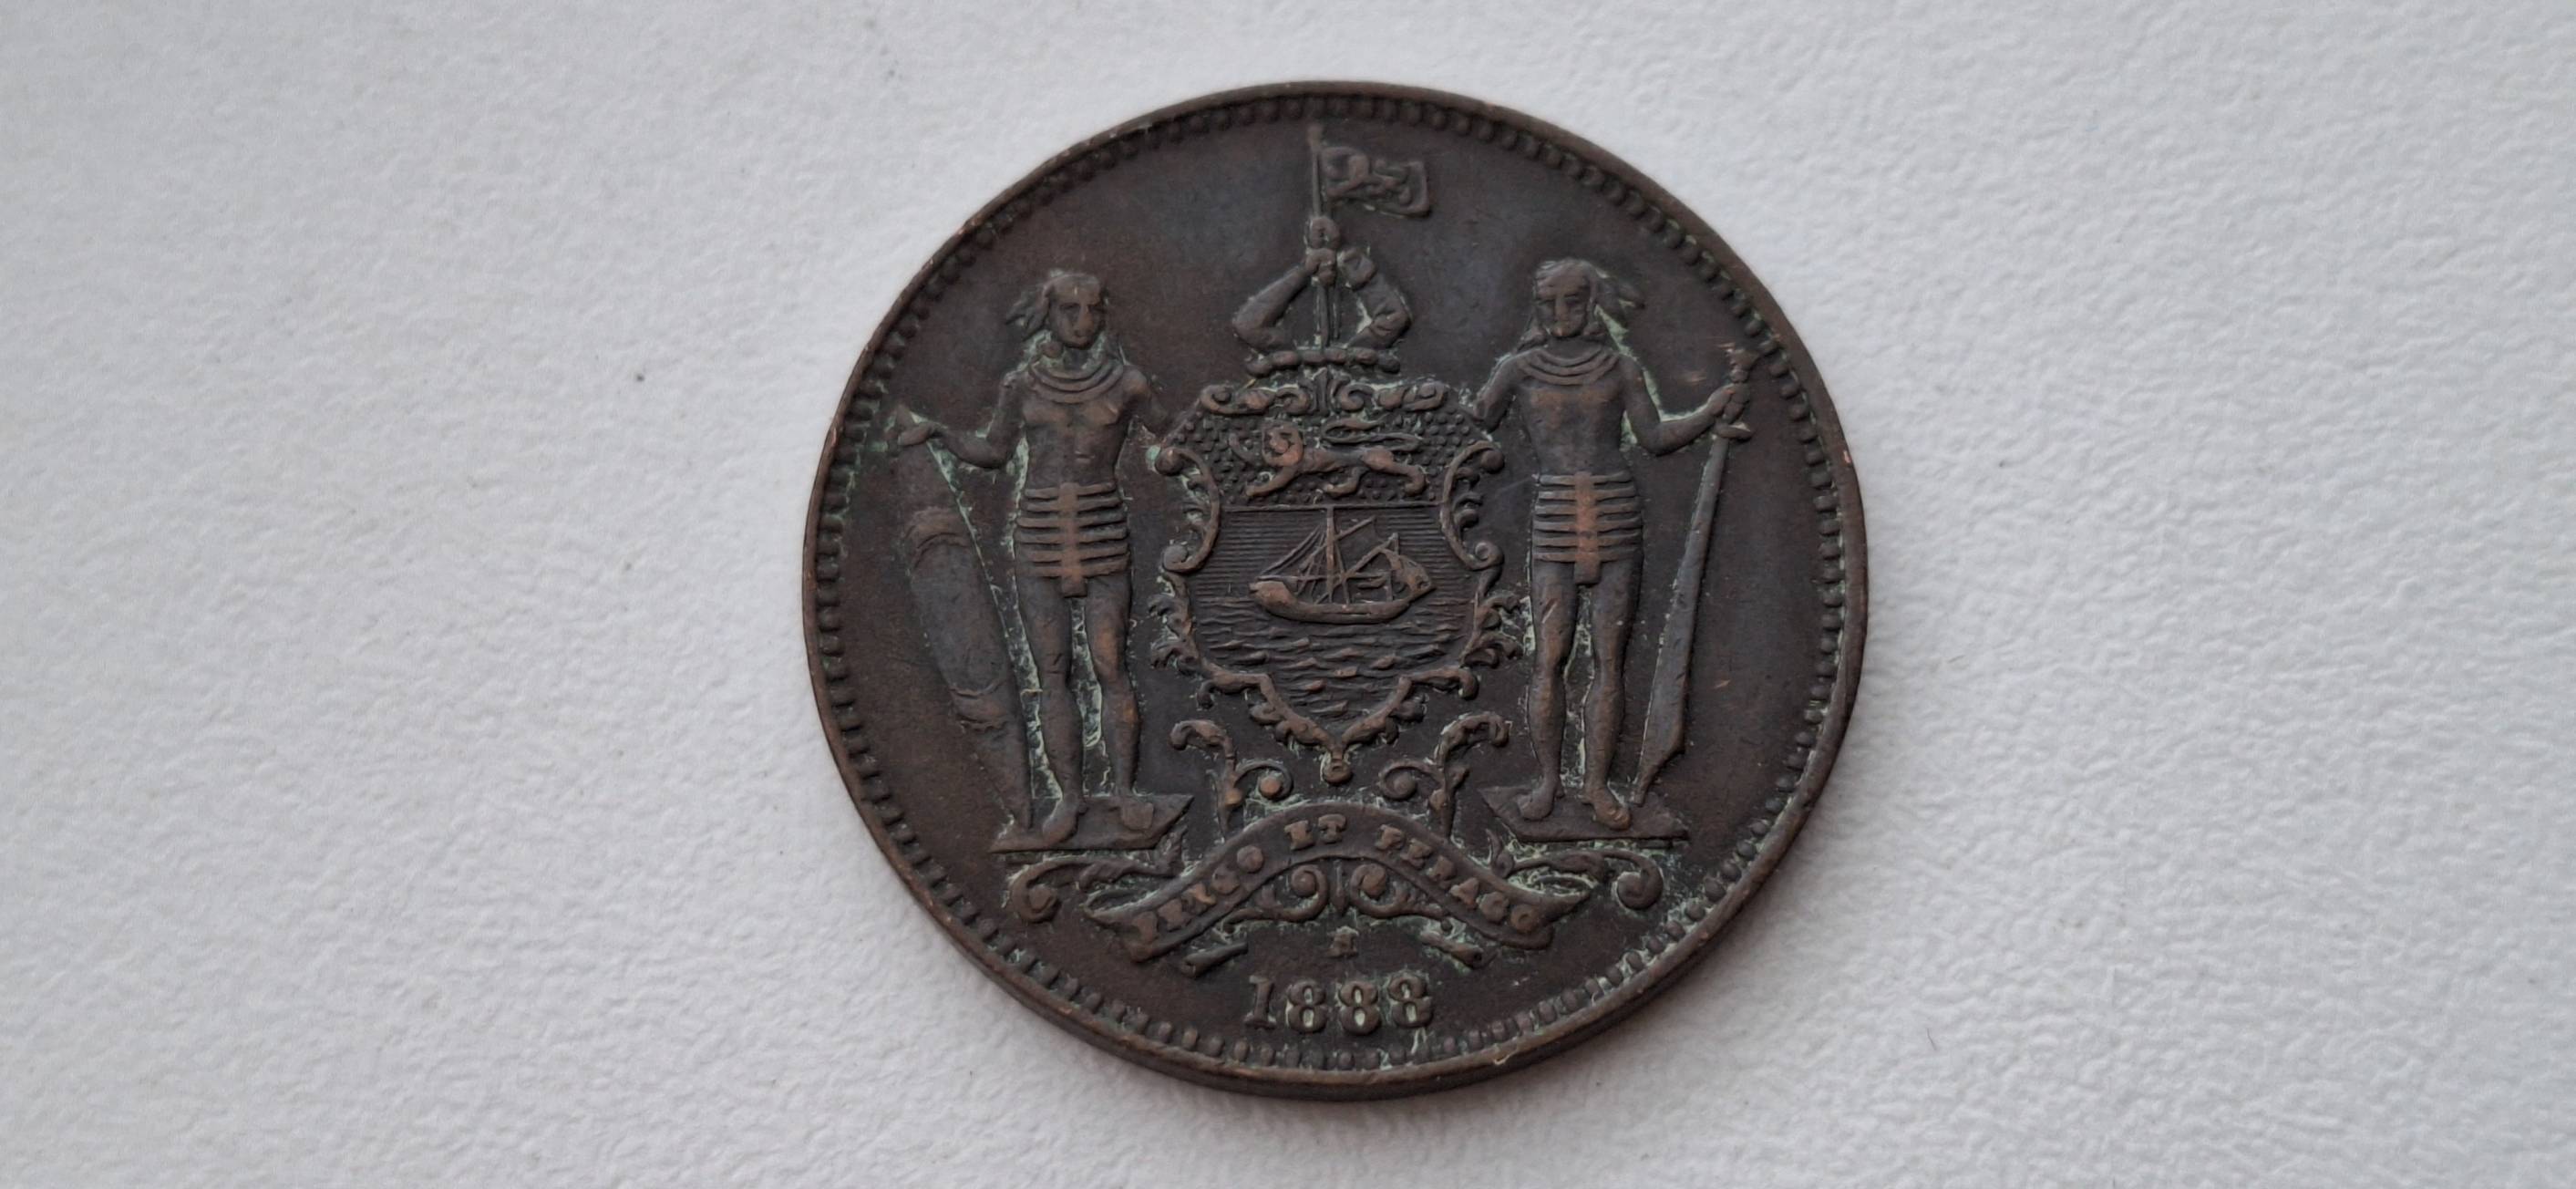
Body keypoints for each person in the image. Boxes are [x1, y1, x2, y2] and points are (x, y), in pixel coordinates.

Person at [1472, 259, 1746, 829]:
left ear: (1592, 303)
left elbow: (1654, 437)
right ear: (1537, 306)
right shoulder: (1517, 369)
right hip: (1554, 516)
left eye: (1572, 301)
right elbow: (1472, 425)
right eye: (1549, 302)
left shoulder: (1620, 368)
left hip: (1615, 512)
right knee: (1550, 657)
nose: (1560, 313)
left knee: (1608, 658)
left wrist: (1709, 411)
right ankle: (1548, 781)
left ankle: (1595, 784)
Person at [904, 271, 1167, 830]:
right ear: (1048, 314)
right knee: (1053, 672)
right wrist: (940, 435)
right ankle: (1070, 797)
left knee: (1110, 665)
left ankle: (1125, 791)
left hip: (1101, 532)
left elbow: (1171, 436)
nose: (1082, 321)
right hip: (1040, 536)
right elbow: (994, 451)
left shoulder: (1128, 384)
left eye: (1093, 310)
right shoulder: (1023, 386)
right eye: (1070, 310)